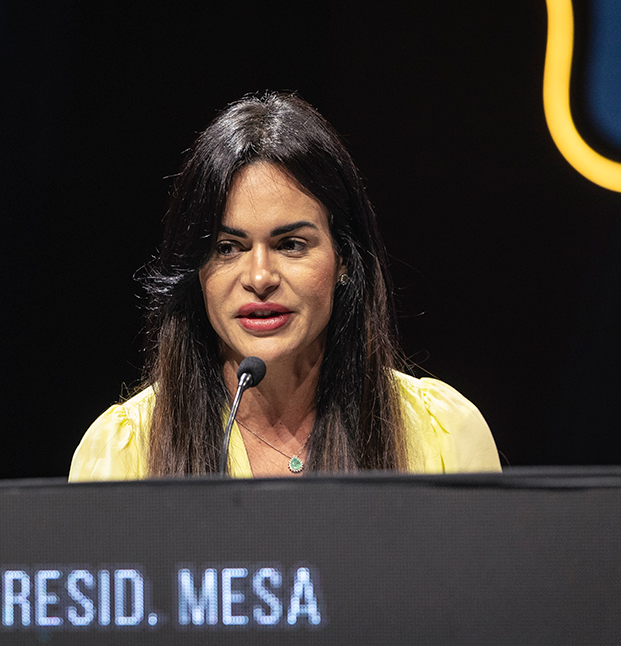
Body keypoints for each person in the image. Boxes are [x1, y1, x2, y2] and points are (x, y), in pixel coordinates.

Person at [69, 92, 499, 480]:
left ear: (344, 259)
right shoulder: (123, 453)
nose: (259, 278)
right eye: (227, 248)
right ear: (195, 270)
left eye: (291, 244)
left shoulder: (443, 435)